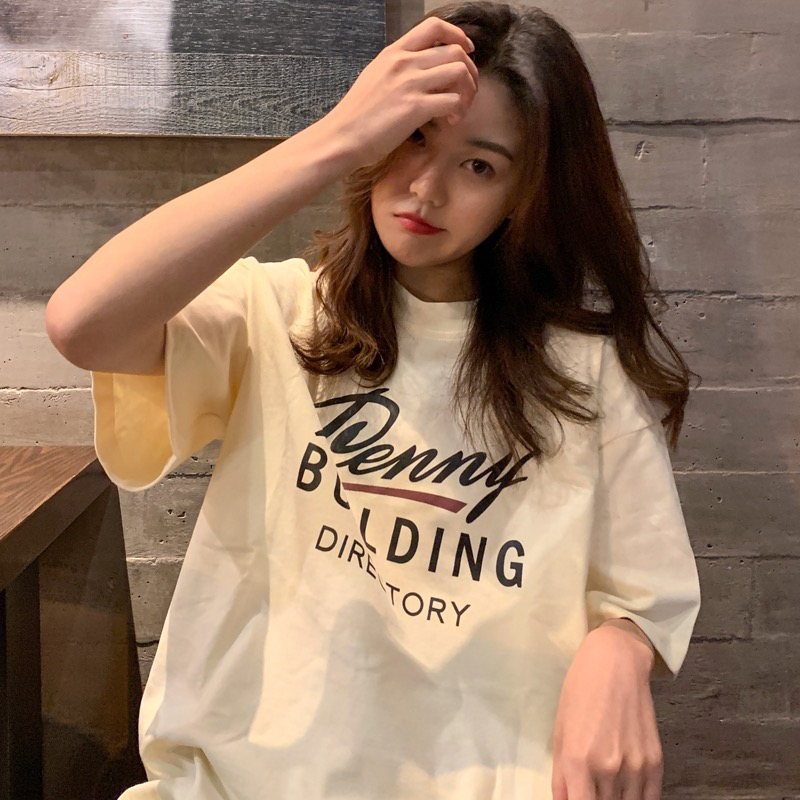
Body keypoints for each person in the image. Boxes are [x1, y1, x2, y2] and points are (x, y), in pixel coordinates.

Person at [45, 3, 702, 799]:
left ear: (525, 195)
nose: (426, 187)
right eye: (415, 137)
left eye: (479, 166)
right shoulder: (280, 315)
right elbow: (82, 323)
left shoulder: (582, 373)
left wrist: (618, 650)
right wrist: (337, 137)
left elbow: (646, 589)